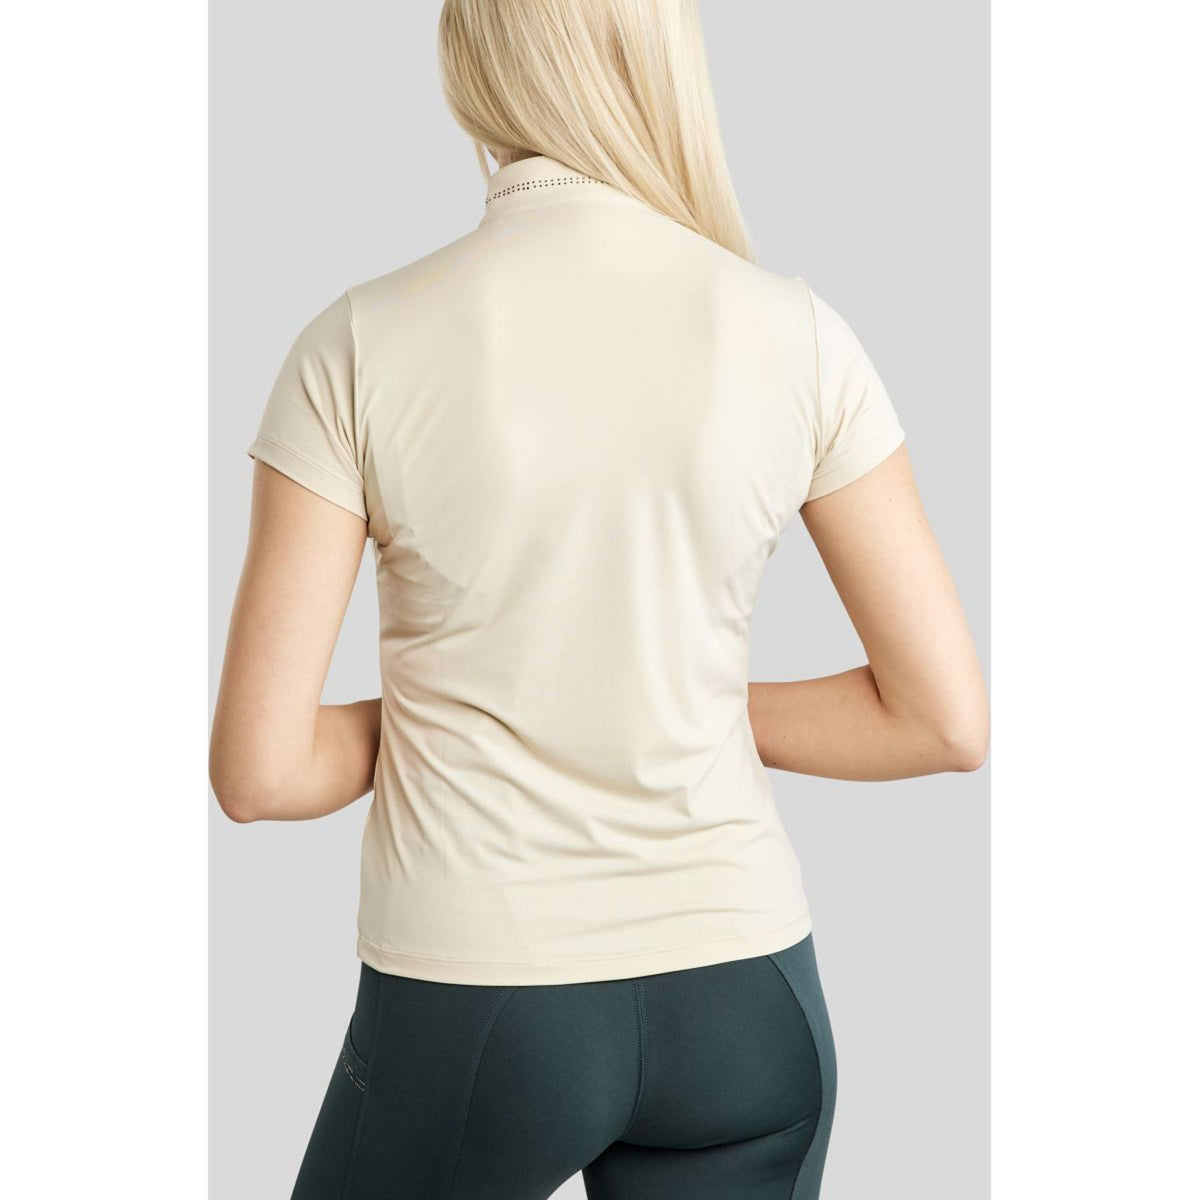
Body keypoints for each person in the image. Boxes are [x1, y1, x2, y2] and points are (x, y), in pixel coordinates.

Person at [209, 1, 988, 1196]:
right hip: (747, 1000)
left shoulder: (358, 345)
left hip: (480, 1000)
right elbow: (941, 720)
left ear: (473, 66)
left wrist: (470, 707)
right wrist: (668, 704)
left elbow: (260, 774)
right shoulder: (800, 334)